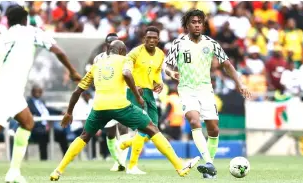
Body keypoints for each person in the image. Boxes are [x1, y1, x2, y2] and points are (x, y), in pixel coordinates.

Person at [0, 5, 81, 183]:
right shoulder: (33, 33)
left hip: (0, 87)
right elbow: (58, 51)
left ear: (8, 21)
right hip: (10, 90)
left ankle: (13, 172)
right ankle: (11, 172)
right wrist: (72, 72)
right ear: (25, 19)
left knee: (26, 123)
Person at [49, 40, 200, 181]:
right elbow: (127, 74)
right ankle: (179, 167)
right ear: (122, 51)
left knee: (84, 136)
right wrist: (137, 95)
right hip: (120, 106)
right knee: (152, 128)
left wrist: (69, 113)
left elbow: (77, 91)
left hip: (99, 108)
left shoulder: (97, 64)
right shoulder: (124, 60)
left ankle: (58, 170)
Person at [163, 9, 251, 179]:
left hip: (206, 90)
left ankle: (209, 167)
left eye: (199, 22)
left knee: (213, 129)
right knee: (195, 121)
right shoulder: (178, 43)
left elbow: (227, 65)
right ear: (187, 25)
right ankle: (209, 163)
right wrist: (172, 73)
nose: (196, 25)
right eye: (193, 22)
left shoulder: (211, 43)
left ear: (203, 25)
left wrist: (240, 83)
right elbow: (167, 65)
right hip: (187, 89)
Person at [118, 26, 164, 174]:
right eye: (148, 37)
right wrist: (134, 87)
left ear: (158, 39)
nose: (151, 40)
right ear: (144, 39)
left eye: (154, 38)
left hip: (149, 93)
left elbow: (156, 71)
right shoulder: (135, 53)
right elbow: (125, 71)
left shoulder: (160, 54)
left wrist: (159, 82)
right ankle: (132, 166)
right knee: (145, 128)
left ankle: (127, 143)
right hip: (135, 92)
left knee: (154, 130)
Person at [90, 33, 130, 171]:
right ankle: (117, 161)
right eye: (111, 42)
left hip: (121, 95)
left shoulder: (125, 58)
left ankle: (123, 162)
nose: (113, 44)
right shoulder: (98, 58)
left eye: (116, 42)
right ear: (106, 44)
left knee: (123, 127)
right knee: (110, 132)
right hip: (104, 97)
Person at [27, 85, 68, 161]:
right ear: (33, 92)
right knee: (43, 136)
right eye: (37, 92)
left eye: (40, 92)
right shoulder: (29, 102)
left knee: (61, 134)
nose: (39, 93)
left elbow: (48, 109)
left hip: (48, 127)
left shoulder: (41, 102)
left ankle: (67, 157)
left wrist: (61, 112)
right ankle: (44, 159)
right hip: (37, 128)